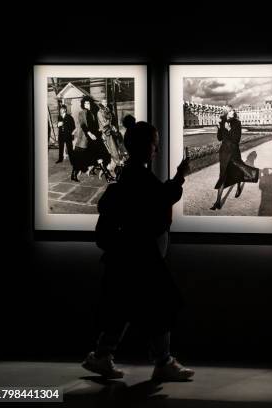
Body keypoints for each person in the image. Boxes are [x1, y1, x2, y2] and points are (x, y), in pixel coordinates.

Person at [81, 121, 194, 382]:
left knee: (121, 307)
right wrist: (180, 176)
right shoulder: (139, 176)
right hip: (140, 255)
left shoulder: (130, 174)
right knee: (160, 306)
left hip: (126, 256)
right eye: (154, 143)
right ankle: (162, 361)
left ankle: (102, 357)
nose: (156, 149)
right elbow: (162, 198)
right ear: (145, 146)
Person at [211, 106, 259, 210]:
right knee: (222, 175)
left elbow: (236, 140)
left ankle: (238, 187)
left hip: (234, 152)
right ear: (226, 112)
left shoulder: (237, 123)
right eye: (231, 110)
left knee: (237, 171)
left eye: (233, 110)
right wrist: (219, 128)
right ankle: (218, 202)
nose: (233, 111)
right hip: (224, 152)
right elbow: (220, 138)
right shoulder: (222, 121)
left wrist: (229, 129)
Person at [55, 105, 76, 176]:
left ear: (65, 110)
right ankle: (60, 159)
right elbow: (58, 125)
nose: (60, 110)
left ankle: (72, 161)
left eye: (61, 109)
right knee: (61, 147)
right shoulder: (59, 116)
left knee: (70, 148)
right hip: (61, 135)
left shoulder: (69, 117)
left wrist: (69, 131)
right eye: (60, 109)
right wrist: (58, 125)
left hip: (67, 135)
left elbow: (73, 126)